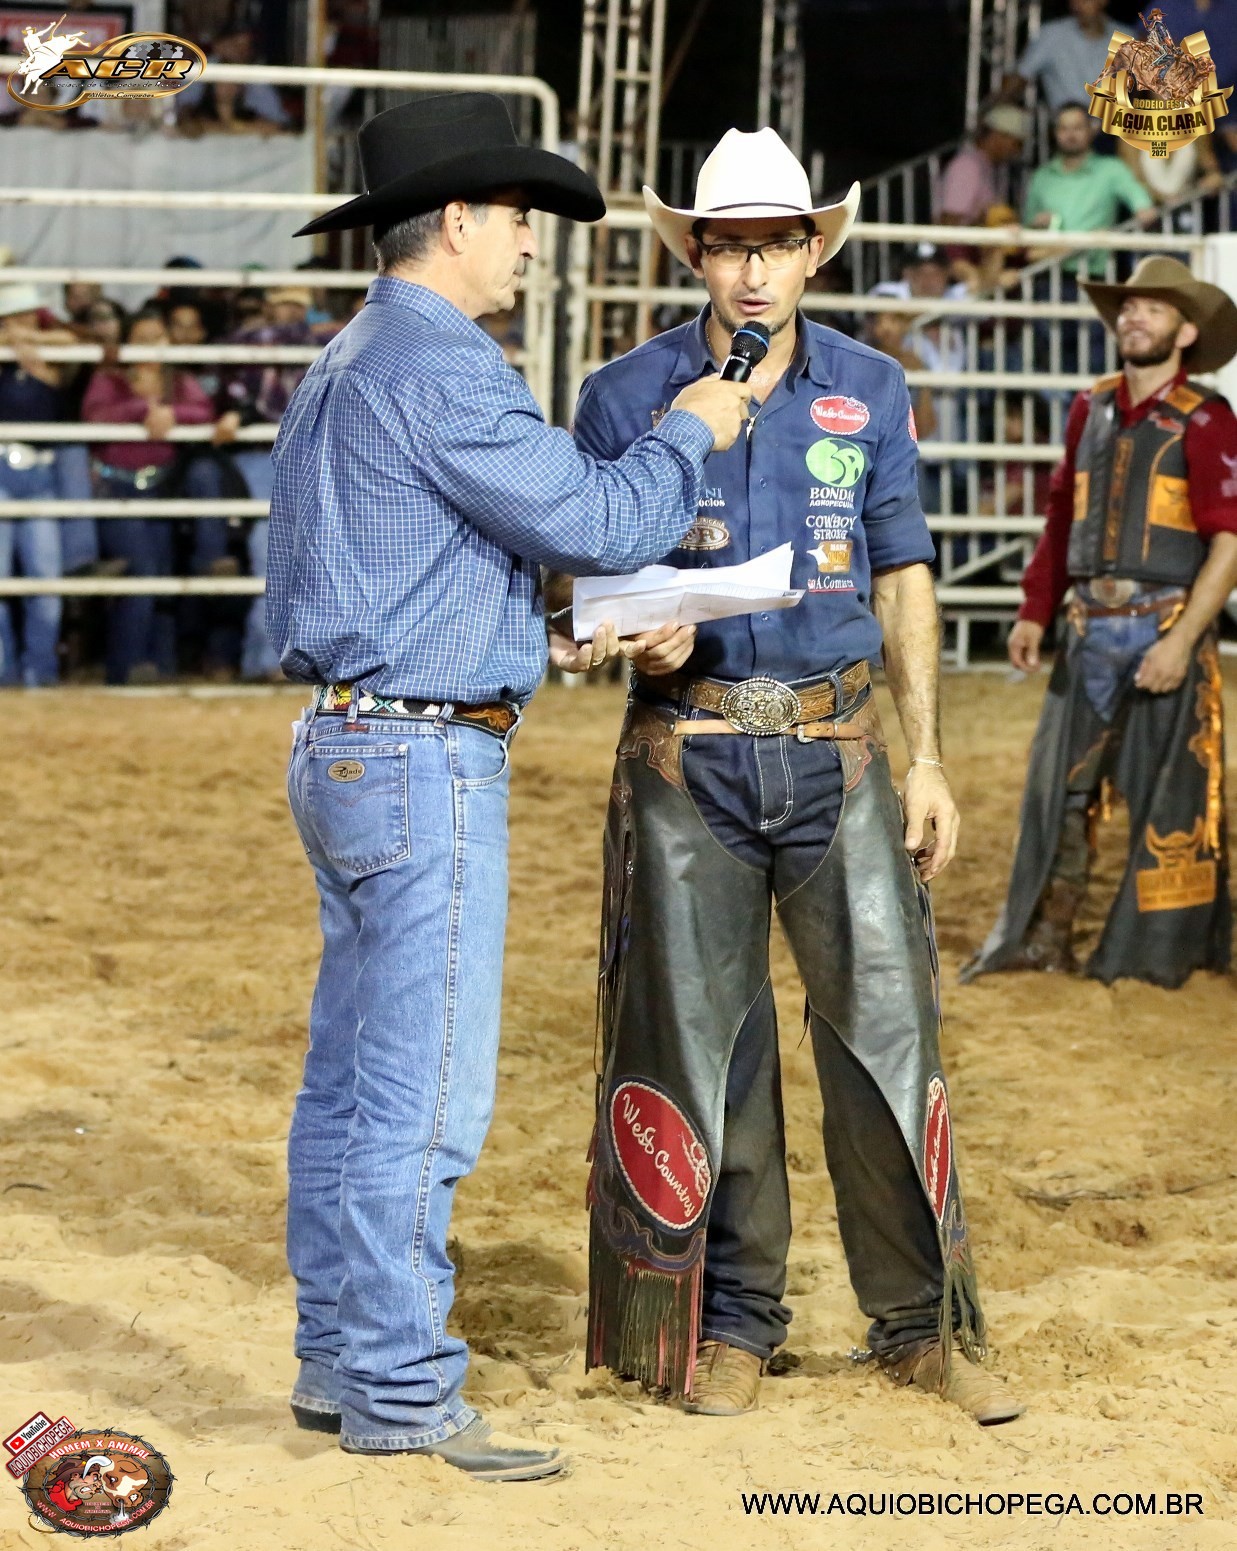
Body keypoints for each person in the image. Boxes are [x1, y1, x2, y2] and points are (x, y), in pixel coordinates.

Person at [265, 93, 752, 1482]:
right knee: (422, 1093)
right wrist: (693, 426)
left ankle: (339, 1357)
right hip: (421, 757)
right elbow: (604, 516)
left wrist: (528, 630)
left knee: (353, 1079)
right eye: (522, 219)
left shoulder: (350, 358)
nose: (532, 244)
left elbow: (390, 563)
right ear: (460, 218)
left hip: (352, 739)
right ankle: (402, 1385)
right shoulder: (443, 363)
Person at [569, 127, 1021, 1427]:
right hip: (687, 745)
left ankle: (920, 1323)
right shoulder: (624, 393)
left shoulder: (871, 386)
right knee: (701, 1039)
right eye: (730, 247)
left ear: (812, 250)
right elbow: (585, 557)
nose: (753, 271)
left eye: (775, 245)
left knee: (890, 1032)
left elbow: (904, 569)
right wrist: (628, 617)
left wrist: (928, 756)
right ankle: (730, 1320)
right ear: (697, 256)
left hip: (841, 746)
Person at [963, 258, 1237, 986]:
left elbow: (1230, 540)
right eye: (1128, 307)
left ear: (1185, 332)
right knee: (1059, 789)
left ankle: (1157, 953)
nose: (1133, 317)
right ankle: (1045, 937)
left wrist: (1182, 640)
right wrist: (1034, 608)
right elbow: (1062, 512)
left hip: (1162, 624)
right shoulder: (1092, 406)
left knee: (1168, 793)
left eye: (1153, 308)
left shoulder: (1206, 416)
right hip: (1088, 624)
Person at [82, 310, 217, 682]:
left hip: (160, 485)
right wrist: (144, 407)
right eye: (141, 339)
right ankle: (126, 668)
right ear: (127, 343)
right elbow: (95, 416)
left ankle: (161, 667)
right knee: (141, 573)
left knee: (161, 573)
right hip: (116, 487)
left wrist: (169, 412)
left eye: (157, 338)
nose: (150, 346)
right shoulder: (109, 379)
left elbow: (204, 411)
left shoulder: (179, 381)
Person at [0, 282, 76, 686]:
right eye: (15, 316)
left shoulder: (51, 351)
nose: (25, 321)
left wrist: (27, 344)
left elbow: (71, 343)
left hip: (40, 468)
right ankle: (6, 671)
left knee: (45, 579)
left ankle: (40, 672)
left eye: (28, 315)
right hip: (3, 463)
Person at [1003, 0, 1121, 115]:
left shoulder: (1123, 38)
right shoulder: (1051, 35)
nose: (1080, 3)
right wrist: (998, 109)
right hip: (1065, 121)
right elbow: (1019, 78)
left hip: (1111, 123)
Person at [936, 106, 1028, 229]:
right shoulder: (967, 166)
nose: (1017, 151)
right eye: (1017, 143)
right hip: (962, 241)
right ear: (998, 136)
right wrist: (987, 220)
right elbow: (949, 222)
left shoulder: (989, 167)